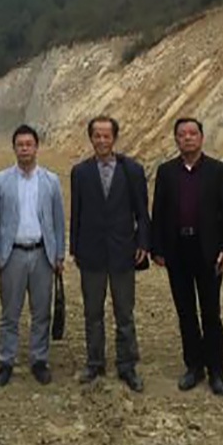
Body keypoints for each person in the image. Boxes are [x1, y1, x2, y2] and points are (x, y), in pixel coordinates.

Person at [151, 118, 223, 396]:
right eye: (182, 134)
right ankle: (194, 366)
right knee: (185, 312)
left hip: (209, 251)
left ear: (201, 137)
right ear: (176, 139)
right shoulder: (166, 172)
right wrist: (157, 248)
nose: (187, 138)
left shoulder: (218, 171)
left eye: (192, 133)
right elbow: (158, 213)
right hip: (177, 250)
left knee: (211, 312)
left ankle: (216, 370)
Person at [70, 116, 150, 393]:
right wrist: (75, 248)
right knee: (92, 312)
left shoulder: (132, 170)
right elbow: (76, 213)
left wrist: (143, 243)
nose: (102, 141)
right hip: (91, 252)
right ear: (91, 138)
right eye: (97, 136)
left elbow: (142, 212)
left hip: (123, 251)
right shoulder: (80, 172)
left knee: (124, 313)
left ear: (114, 138)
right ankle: (95, 363)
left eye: (107, 136)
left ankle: (127, 365)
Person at [0, 124, 65, 386]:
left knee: (41, 311)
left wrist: (59, 255)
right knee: (10, 312)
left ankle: (39, 360)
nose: (24, 149)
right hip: (12, 254)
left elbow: (58, 221)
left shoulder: (51, 181)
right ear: (14, 148)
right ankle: (6, 361)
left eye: (29, 144)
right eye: (20, 145)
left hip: (42, 253)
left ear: (36, 147)